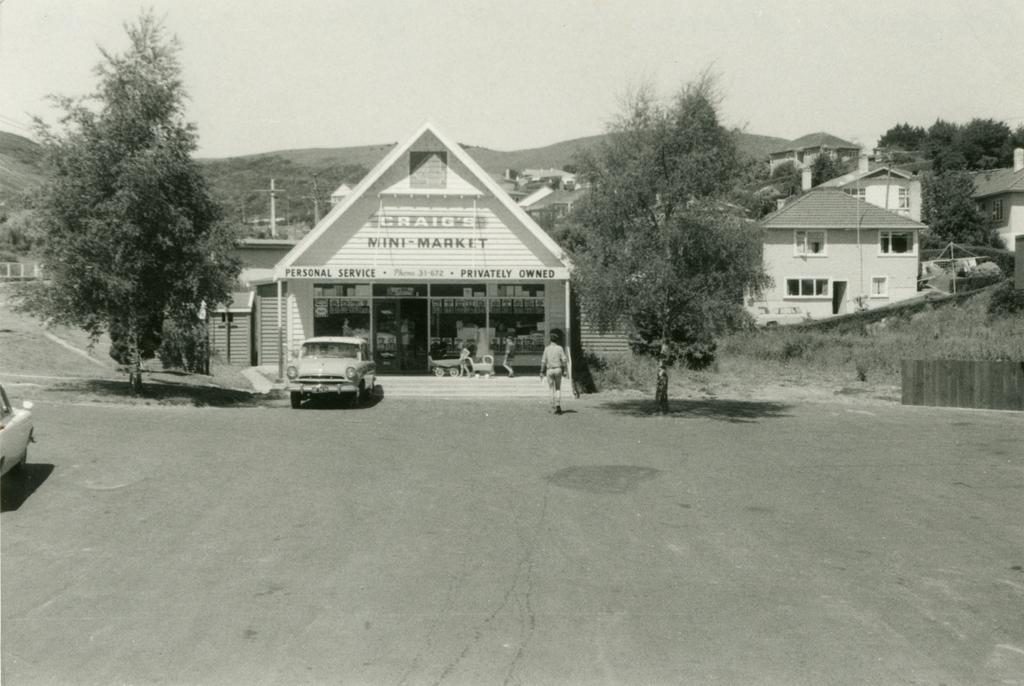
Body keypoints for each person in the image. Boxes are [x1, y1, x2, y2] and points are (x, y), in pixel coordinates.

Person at [539, 332, 569, 414]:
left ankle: (552, 406)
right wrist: (565, 370)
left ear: (550, 340)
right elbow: (564, 360)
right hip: (558, 369)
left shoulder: (546, 349)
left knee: (551, 388)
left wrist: (541, 371)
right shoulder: (560, 348)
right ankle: (558, 405)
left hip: (549, 370)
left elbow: (543, 361)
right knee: (558, 388)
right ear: (557, 340)